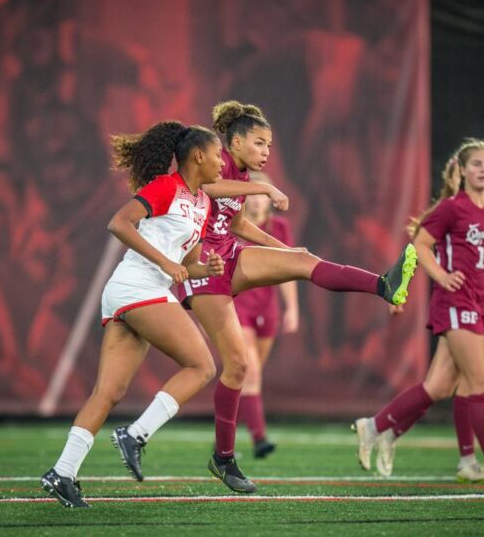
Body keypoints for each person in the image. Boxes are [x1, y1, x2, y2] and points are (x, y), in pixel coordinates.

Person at [119, 100, 419, 494]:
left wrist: (282, 251)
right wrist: (261, 186)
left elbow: (237, 222)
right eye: (260, 143)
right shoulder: (216, 162)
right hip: (202, 269)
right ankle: (216, 457)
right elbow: (205, 187)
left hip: (229, 256)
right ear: (236, 141)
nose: (266, 152)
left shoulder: (241, 174)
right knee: (238, 365)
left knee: (302, 259)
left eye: (270, 145)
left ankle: (384, 285)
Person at [40, 121, 239, 508]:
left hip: (131, 293)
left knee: (109, 391)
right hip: (136, 288)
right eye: (218, 154)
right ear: (198, 155)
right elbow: (118, 223)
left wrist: (207, 269)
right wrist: (168, 262)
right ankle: (136, 434)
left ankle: (62, 472)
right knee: (202, 366)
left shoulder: (203, 203)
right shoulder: (166, 187)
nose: (222, 162)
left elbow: (189, 263)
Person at [353, 139, 484, 484]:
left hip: (480, 304)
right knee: (481, 381)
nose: (483, 170)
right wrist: (439, 275)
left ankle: (379, 428)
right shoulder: (452, 208)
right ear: (462, 170)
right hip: (455, 304)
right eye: (476, 164)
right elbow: (420, 243)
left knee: (441, 387)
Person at [233, 172, 299, 459]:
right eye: (254, 194)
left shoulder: (280, 227)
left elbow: (289, 269)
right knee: (250, 370)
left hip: (267, 308)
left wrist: (292, 307)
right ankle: (260, 438)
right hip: (238, 307)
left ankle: (224, 434)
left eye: (264, 194)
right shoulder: (234, 226)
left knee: (244, 374)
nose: (259, 201)